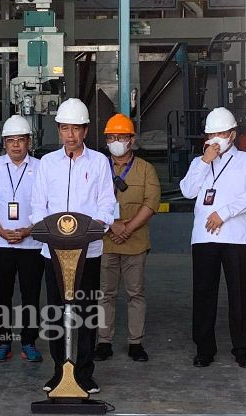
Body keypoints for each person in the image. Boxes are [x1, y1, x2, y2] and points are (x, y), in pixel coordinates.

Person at [31, 98, 116, 395]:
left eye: (76, 129)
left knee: (85, 313)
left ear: (85, 131)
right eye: (65, 129)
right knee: (56, 312)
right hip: (53, 253)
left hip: (87, 253)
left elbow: (107, 205)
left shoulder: (99, 162)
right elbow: (37, 206)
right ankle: (59, 372)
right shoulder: (46, 164)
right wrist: (48, 230)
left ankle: (84, 373)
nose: (70, 135)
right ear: (58, 130)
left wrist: (94, 227)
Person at [179, 107, 246, 368]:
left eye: (221, 133)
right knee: (203, 294)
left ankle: (242, 350)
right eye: (211, 134)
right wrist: (204, 161)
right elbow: (188, 191)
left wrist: (222, 214)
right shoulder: (199, 163)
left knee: (239, 294)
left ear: (232, 134)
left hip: (236, 237)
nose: (215, 138)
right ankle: (204, 349)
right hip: (203, 238)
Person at [0, 115, 45, 363]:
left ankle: (29, 342)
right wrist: (2, 231)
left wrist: (28, 230)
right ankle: (2, 341)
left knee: (31, 294)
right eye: (11, 140)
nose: (16, 145)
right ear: (4, 143)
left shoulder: (40, 167)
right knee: (1, 294)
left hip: (32, 243)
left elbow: (46, 205)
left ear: (29, 142)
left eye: (21, 140)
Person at [93, 114, 160, 363]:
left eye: (121, 137)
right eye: (111, 137)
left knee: (135, 293)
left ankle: (135, 343)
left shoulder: (145, 170)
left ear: (132, 140)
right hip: (104, 241)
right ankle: (104, 342)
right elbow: (90, 200)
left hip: (135, 243)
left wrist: (127, 228)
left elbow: (151, 203)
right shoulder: (98, 166)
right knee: (105, 294)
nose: (116, 141)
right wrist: (112, 225)